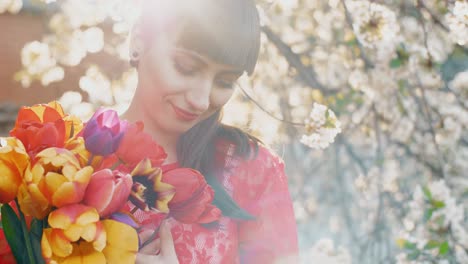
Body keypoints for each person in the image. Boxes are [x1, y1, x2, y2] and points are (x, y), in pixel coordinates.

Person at [121, 0, 299, 263]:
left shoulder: (251, 170)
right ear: (139, 40)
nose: (201, 100)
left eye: (225, 81)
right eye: (186, 67)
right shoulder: (64, 162)